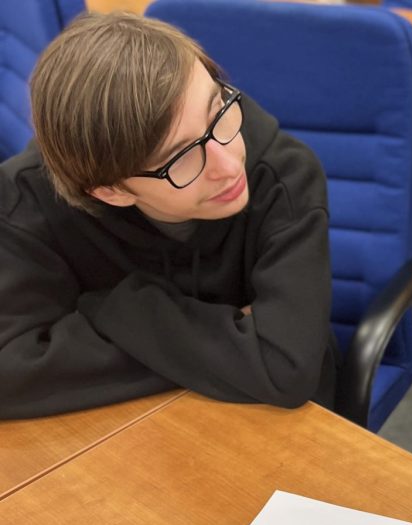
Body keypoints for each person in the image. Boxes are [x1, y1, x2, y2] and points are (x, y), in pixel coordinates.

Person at [0, 12, 337, 419]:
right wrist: (233, 344)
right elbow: (9, 373)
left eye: (218, 112)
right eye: (181, 158)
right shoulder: (24, 201)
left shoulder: (283, 173)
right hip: (120, 435)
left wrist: (118, 310)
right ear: (110, 190)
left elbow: (287, 367)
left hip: (269, 426)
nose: (229, 165)